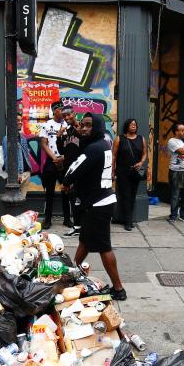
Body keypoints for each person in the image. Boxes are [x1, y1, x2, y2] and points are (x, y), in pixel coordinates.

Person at [62, 113, 126, 301]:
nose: (83, 128)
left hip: (98, 204)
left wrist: (66, 182)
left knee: (104, 247)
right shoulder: (104, 143)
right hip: (99, 201)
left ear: (97, 126)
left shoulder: (93, 148)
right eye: (82, 125)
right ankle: (75, 270)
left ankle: (119, 288)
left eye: (89, 125)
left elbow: (74, 168)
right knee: (85, 239)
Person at [112, 118, 147, 231]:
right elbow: (114, 155)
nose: (134, 126)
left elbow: (145, 153)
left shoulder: (141, 138)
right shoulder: (119, 138)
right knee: (125, 196)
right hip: (122, 172)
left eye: (135, 124)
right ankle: (127, 221)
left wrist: (141, 162)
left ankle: (127, 219)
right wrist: (112, 171)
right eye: (131, 124)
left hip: (135, 172)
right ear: (127, 126)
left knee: (132, 196)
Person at [38, 102, 66, 229]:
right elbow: (44, 143)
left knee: (66, 190)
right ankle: (47, 220)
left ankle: (67, 219)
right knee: (49, 192)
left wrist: (64, 157)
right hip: (51, 161)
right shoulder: (46, 125)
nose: (63, 112)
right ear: (54, 111)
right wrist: (54, 158)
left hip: (65, 161)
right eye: (60, 109)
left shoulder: (67, 125)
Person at [58, 108, 82, 236]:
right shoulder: (68, 130)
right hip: (69, 168)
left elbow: (83, 149)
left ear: (75, 114)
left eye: (68, 115)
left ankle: (79, 226)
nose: (66, 118)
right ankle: (77, 226)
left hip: (79, 168)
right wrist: (59, 136)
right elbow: (63, 151)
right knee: (72, 197)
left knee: (78, 198)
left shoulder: (82, 128)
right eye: (64, 116)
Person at [0, 130, 33, 201]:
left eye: (21, 120)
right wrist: (13, 174)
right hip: (17, 175)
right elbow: (7, 157)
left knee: (22, 200)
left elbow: (26, 154)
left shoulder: (23, 138)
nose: (20, 122)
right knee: (14, 200)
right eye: (17, 120)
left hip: (26, 173)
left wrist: (29, 170)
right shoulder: (7, 138)